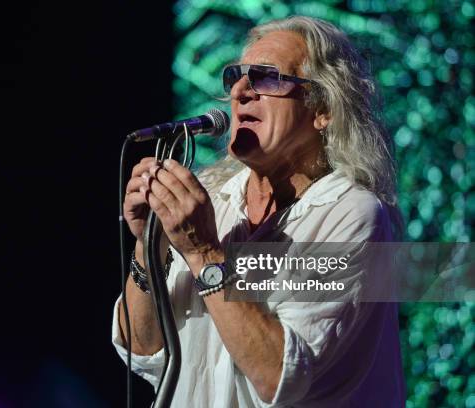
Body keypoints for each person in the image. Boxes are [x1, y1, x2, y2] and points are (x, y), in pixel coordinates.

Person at [113, 15, 405, 407]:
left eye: (267, 78)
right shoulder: (214, 203)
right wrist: (151, 246)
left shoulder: (351, 213)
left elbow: (278, 376)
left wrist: (204, 254)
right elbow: (142, 348)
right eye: (236, 77)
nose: (240, 91)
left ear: (323, 109)